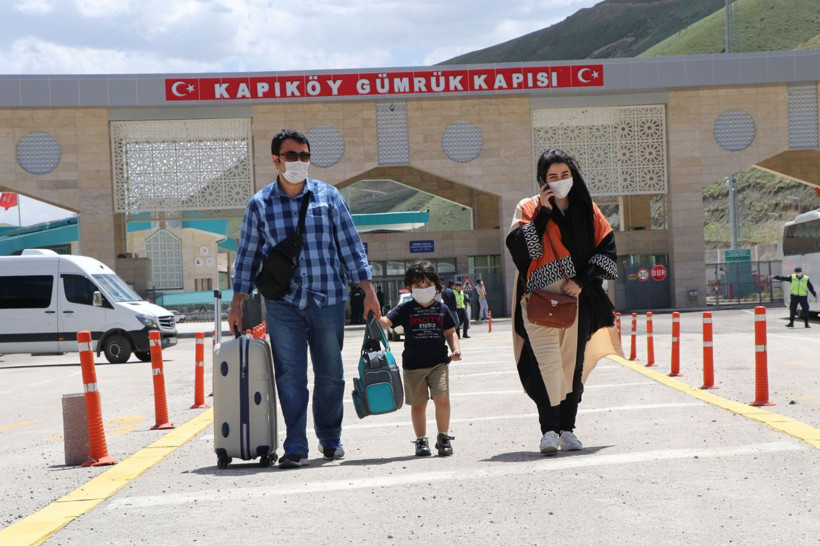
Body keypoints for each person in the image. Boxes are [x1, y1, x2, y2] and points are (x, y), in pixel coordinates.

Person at [229, 128, 380, 469]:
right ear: (276, 160)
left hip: (328, 299)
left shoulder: (329, 197)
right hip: (283, 304)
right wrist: (237, 303)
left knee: (331, 374)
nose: (299, 161)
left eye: (304, 155)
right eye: (291, 155)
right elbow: (247, 256)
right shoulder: (260, 204)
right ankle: (296, 443)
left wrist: (368, 291)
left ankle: (330, 437)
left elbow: (351, 246)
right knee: (290, 376)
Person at [506, 148, 621, 456]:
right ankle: (548, 431)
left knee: (573, 365)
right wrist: (543, 213)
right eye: (552, 176)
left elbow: (607, 248)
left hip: (577, 299)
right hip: (539, 300)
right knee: (545, 365)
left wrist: (581, 281)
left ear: (574, 175)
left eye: (565, 174)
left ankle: (567, 429)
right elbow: (521, 249)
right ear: (543, 179)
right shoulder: (528, 207)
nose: (559, 180)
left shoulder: (587, 209)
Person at [379, 261, 461, 457]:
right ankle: (421, 440)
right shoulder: (405, 309)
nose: (423, 289)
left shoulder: (442, 309)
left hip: (439, 364)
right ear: (410, 287)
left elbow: (451, 332)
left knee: (442, 398)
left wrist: (455, 349)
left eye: (428, 285)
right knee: (418, 404)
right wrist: (374, 310)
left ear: (436, 285)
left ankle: (443, 437)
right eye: (418, 285)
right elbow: (386, 322)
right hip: (413, 366)